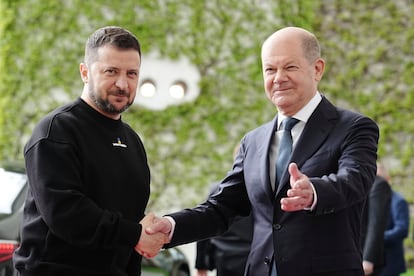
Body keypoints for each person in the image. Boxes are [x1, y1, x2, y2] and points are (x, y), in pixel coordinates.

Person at [145, 26, 379, 276]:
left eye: (289, 67)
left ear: (317, 69)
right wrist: (170, 225)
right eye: (270, 69)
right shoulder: (253, 141)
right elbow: (221, 207)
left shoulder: (354, 127)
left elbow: (355, 179)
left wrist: (313, 191)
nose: (278, 78)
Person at [13, 26, 167, 276]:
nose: (122, 84)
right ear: (85, 72)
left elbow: (132, 219)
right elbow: (65, 214)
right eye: (111, 71)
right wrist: (134, 234)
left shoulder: (132, 141)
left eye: (132, 73)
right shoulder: (56, 130)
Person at [195, 144, 253, 276]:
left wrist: (201, 266)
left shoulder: (218, 188)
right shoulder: (267, 189)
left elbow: (204, 226)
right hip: (251, 259)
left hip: (226, 259)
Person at [377, 164, 409, 276]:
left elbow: (401, 229)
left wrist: (376, 238)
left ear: (387, 179)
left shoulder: (398, 201)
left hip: (389, 263)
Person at [361, 165, 392, 275]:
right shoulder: (356, 181)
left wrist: (368, 258)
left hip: (365, 255)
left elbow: (376, 223)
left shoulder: (378, 184)